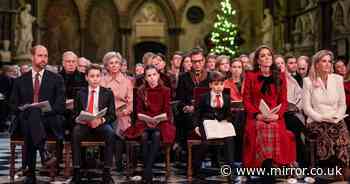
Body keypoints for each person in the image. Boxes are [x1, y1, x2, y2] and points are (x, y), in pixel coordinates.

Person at [9, 45, 65, 184]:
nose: (43, 59)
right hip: (24, 121)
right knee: (31, 115)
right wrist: (24, 108)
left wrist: (41, 110)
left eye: (45, 56)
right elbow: (12, 105)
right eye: (40, 56)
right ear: (32, 57)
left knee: (33, 116)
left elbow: (60, 106)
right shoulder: (20, 81)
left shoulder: (56, 79)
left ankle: (30, 172)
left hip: (48, 121)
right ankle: (44, 152)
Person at [243, 45, 296, 182]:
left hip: (275, 116)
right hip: (255, 116)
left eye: (268, 55)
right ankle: (267, 168)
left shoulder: (281, 76)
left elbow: (284, 101)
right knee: (262, 126)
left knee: (273, 126)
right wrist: (257, 115)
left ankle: (270, 166)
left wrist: (277, 115)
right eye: (262, 56)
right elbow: (246, 100)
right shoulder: (250, 76)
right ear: (258, 60)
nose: (266, 57)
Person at [303, 50, 350, 180]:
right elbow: (306, 107)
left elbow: (342, 104)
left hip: (335, 118)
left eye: (330, 61)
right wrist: (321, 117)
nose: (328, 64)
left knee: (342, 133)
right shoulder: (308, 81)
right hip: (316, 120)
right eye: (324, 61)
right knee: (327, 132)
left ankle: (342, 170)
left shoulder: (338, 79)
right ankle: (326, 171)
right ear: (317, 64)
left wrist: (337, 116)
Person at [124, 65, 175, 183]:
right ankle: (148, 169)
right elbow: (139, 111)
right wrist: (147, 119)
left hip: (161, 122)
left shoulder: (165, 90)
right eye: (149, 76)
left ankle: (147, 168)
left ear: (158, 76)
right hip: (144, 122)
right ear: (145, 78)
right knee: (144, 135)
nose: (152, 78)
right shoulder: (141, 91)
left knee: (157, 134)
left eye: (154, 75)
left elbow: (167, 111)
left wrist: (158, 119)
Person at [71, 64, 116, 184]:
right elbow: (75, 114)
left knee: (110, 132)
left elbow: (112, 115)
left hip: (100, 123)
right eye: (92, 76)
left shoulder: (107, 93)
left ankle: (107, 171)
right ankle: (77, 170)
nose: (95, 79)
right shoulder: (80, 93)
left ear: (101, 77)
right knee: (76, 131)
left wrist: (101, 120)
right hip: (85, 124)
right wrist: (78, 119)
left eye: (97, 76)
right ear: (86, 77)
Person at [192, 71, 235, 179]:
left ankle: (230, 168)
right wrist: (196, 126)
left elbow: (229, 114)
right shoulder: (204, 97)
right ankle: (196, 166)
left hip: (220, 123)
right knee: (206, 143)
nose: (219, 87)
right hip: (206, 123)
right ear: (210, 85)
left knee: (229, 139)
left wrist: (226, 120)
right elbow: (197, 113)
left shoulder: (226, 97)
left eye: (221, 84)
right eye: (216, 84)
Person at [100, 52, 133, 171]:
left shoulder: (127, 81)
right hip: (106, 114)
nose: (114, 65)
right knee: (111, 123)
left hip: (122, 114)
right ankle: (110, 162)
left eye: (116, 63)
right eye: (111, 63)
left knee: (118, 125)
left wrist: (124, 112)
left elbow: (130, 103)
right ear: (106, 66)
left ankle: (116, 162)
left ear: (120, 65)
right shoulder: (101, 81)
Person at [176, 47, 210, 150]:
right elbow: (179, 99)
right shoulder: (184, 77)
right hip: (189, 112)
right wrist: (186, 107)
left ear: (203, 61)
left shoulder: (210, 77)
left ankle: (205, 154)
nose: (197, 64)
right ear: (191, 62)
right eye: (194, 62)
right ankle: (190, 156)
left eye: (199, 61)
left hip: (206, 111)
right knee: (189, 118)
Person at [224, 58, 245, 162]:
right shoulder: (225, 83)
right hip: (231, 114)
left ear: (242, 69)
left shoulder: (246, 83)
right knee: (238, 116)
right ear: (230, 69)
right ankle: (236, 161)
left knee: (242, 115)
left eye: (239, 67)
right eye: (234, 67)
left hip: (245, 113)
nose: (237, 69)